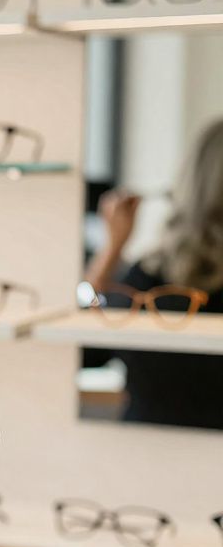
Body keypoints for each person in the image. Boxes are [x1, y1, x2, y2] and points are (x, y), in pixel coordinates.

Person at [83, 118, 223, 429]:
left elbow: (85, 350)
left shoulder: (146, 281)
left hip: (145, 457)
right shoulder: (145, 281)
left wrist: (112, 248)